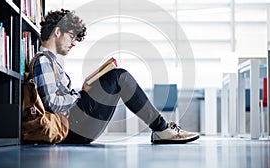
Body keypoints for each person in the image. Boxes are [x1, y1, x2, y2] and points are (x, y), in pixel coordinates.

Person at [32, 8, 199, 144]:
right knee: (119, 77)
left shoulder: (52, 62)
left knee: (118, 77)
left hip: (75, 124)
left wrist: (84, 90)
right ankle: (162, 129)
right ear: (58, 32)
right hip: (72, 128)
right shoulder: (43, 62)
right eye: (71, 36)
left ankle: (161, 128)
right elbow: (51, 103)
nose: (74, 43)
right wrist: (81, 94)